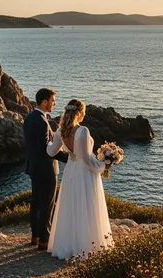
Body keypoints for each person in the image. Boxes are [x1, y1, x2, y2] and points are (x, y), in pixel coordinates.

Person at [46, 99, 114, 260]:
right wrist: (102, 165)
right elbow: (86, 158)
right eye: (84, 112)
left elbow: (50, 152)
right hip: (84, 172)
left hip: (70, 170)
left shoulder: (60, 131)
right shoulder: (82, 131)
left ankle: (67, 245)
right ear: (80, 112)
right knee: (86, 205)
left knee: (71, 204)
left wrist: (47, 142)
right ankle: (86, 245)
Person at [24, 88, 68, 250]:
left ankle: (35, 236)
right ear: (44, 102)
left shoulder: (29, 118)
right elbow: (46, 149)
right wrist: (69, 159)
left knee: (36, 202)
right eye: (52, 101)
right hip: (46, 168)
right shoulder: (42, 121)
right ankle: (44, 239)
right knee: (47, 204)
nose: (54, 104)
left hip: (34, 167)